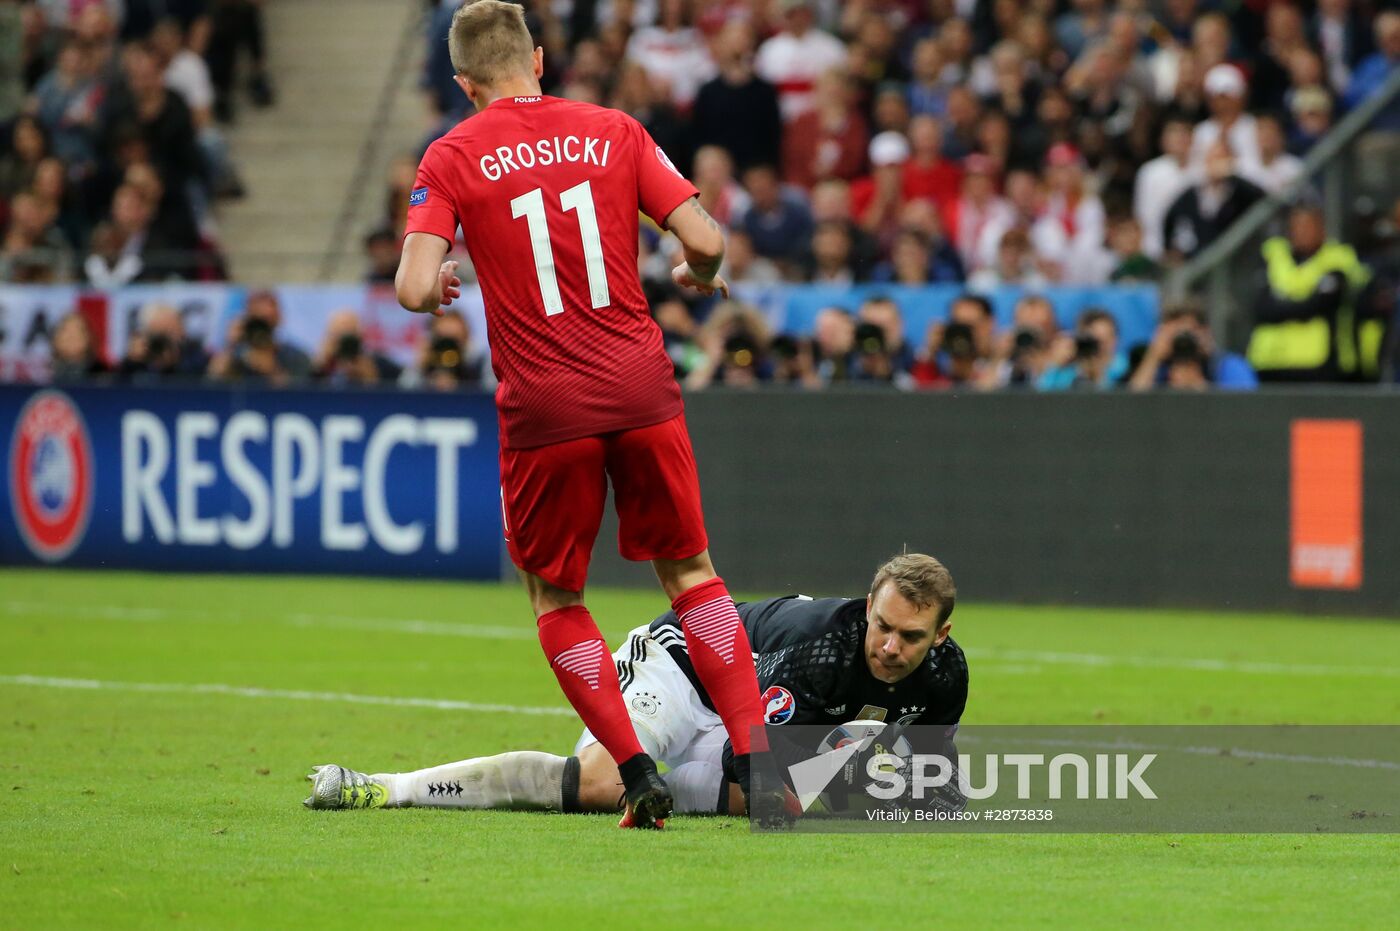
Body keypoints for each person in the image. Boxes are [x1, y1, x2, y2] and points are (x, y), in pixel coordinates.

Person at [393, 1, 771, 830]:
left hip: (545, 405)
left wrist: (443, 288)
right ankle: (753, 752)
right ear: (538, 57)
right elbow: (704, 239)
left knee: (556, 594)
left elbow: (416, 286)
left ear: (464, 84)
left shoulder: (452, 153)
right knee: (691, 573)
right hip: (640, 385)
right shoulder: (615, 129)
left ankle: (636, 773)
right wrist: (697, 271)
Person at [304, 553, 967, 819]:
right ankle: (389, 787)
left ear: (940, 635)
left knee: (798, 791)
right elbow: (750, 756)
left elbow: (935, 767)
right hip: (682, 667)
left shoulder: (946, 678)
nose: (888, 645)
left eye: (909, 637)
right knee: (599, 783)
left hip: (748, 717)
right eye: (882, 625)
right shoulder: (821, 646)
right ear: (870, 608)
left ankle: (676, 786)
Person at [1246, 204, 1376, 382]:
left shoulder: (1337, 257)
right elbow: (1261, 308)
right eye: (1296, 227)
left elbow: (1322, 304)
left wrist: (1282, 300)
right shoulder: (1273, 254)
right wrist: (1304, 299)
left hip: (1320, 362)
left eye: (1308, 226)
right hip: (1270, 361)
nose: (1301, 232)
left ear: (1321, 228)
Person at [1128, 301, 1258, 390]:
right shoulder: (1158, 367)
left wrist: (1200, 388)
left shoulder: (1226, 365)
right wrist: (1153, 356)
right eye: (1175, 333)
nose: (1182, 342)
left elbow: (1245, 408)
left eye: (1188, 333)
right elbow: (1131, 406)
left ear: (1205, 332)